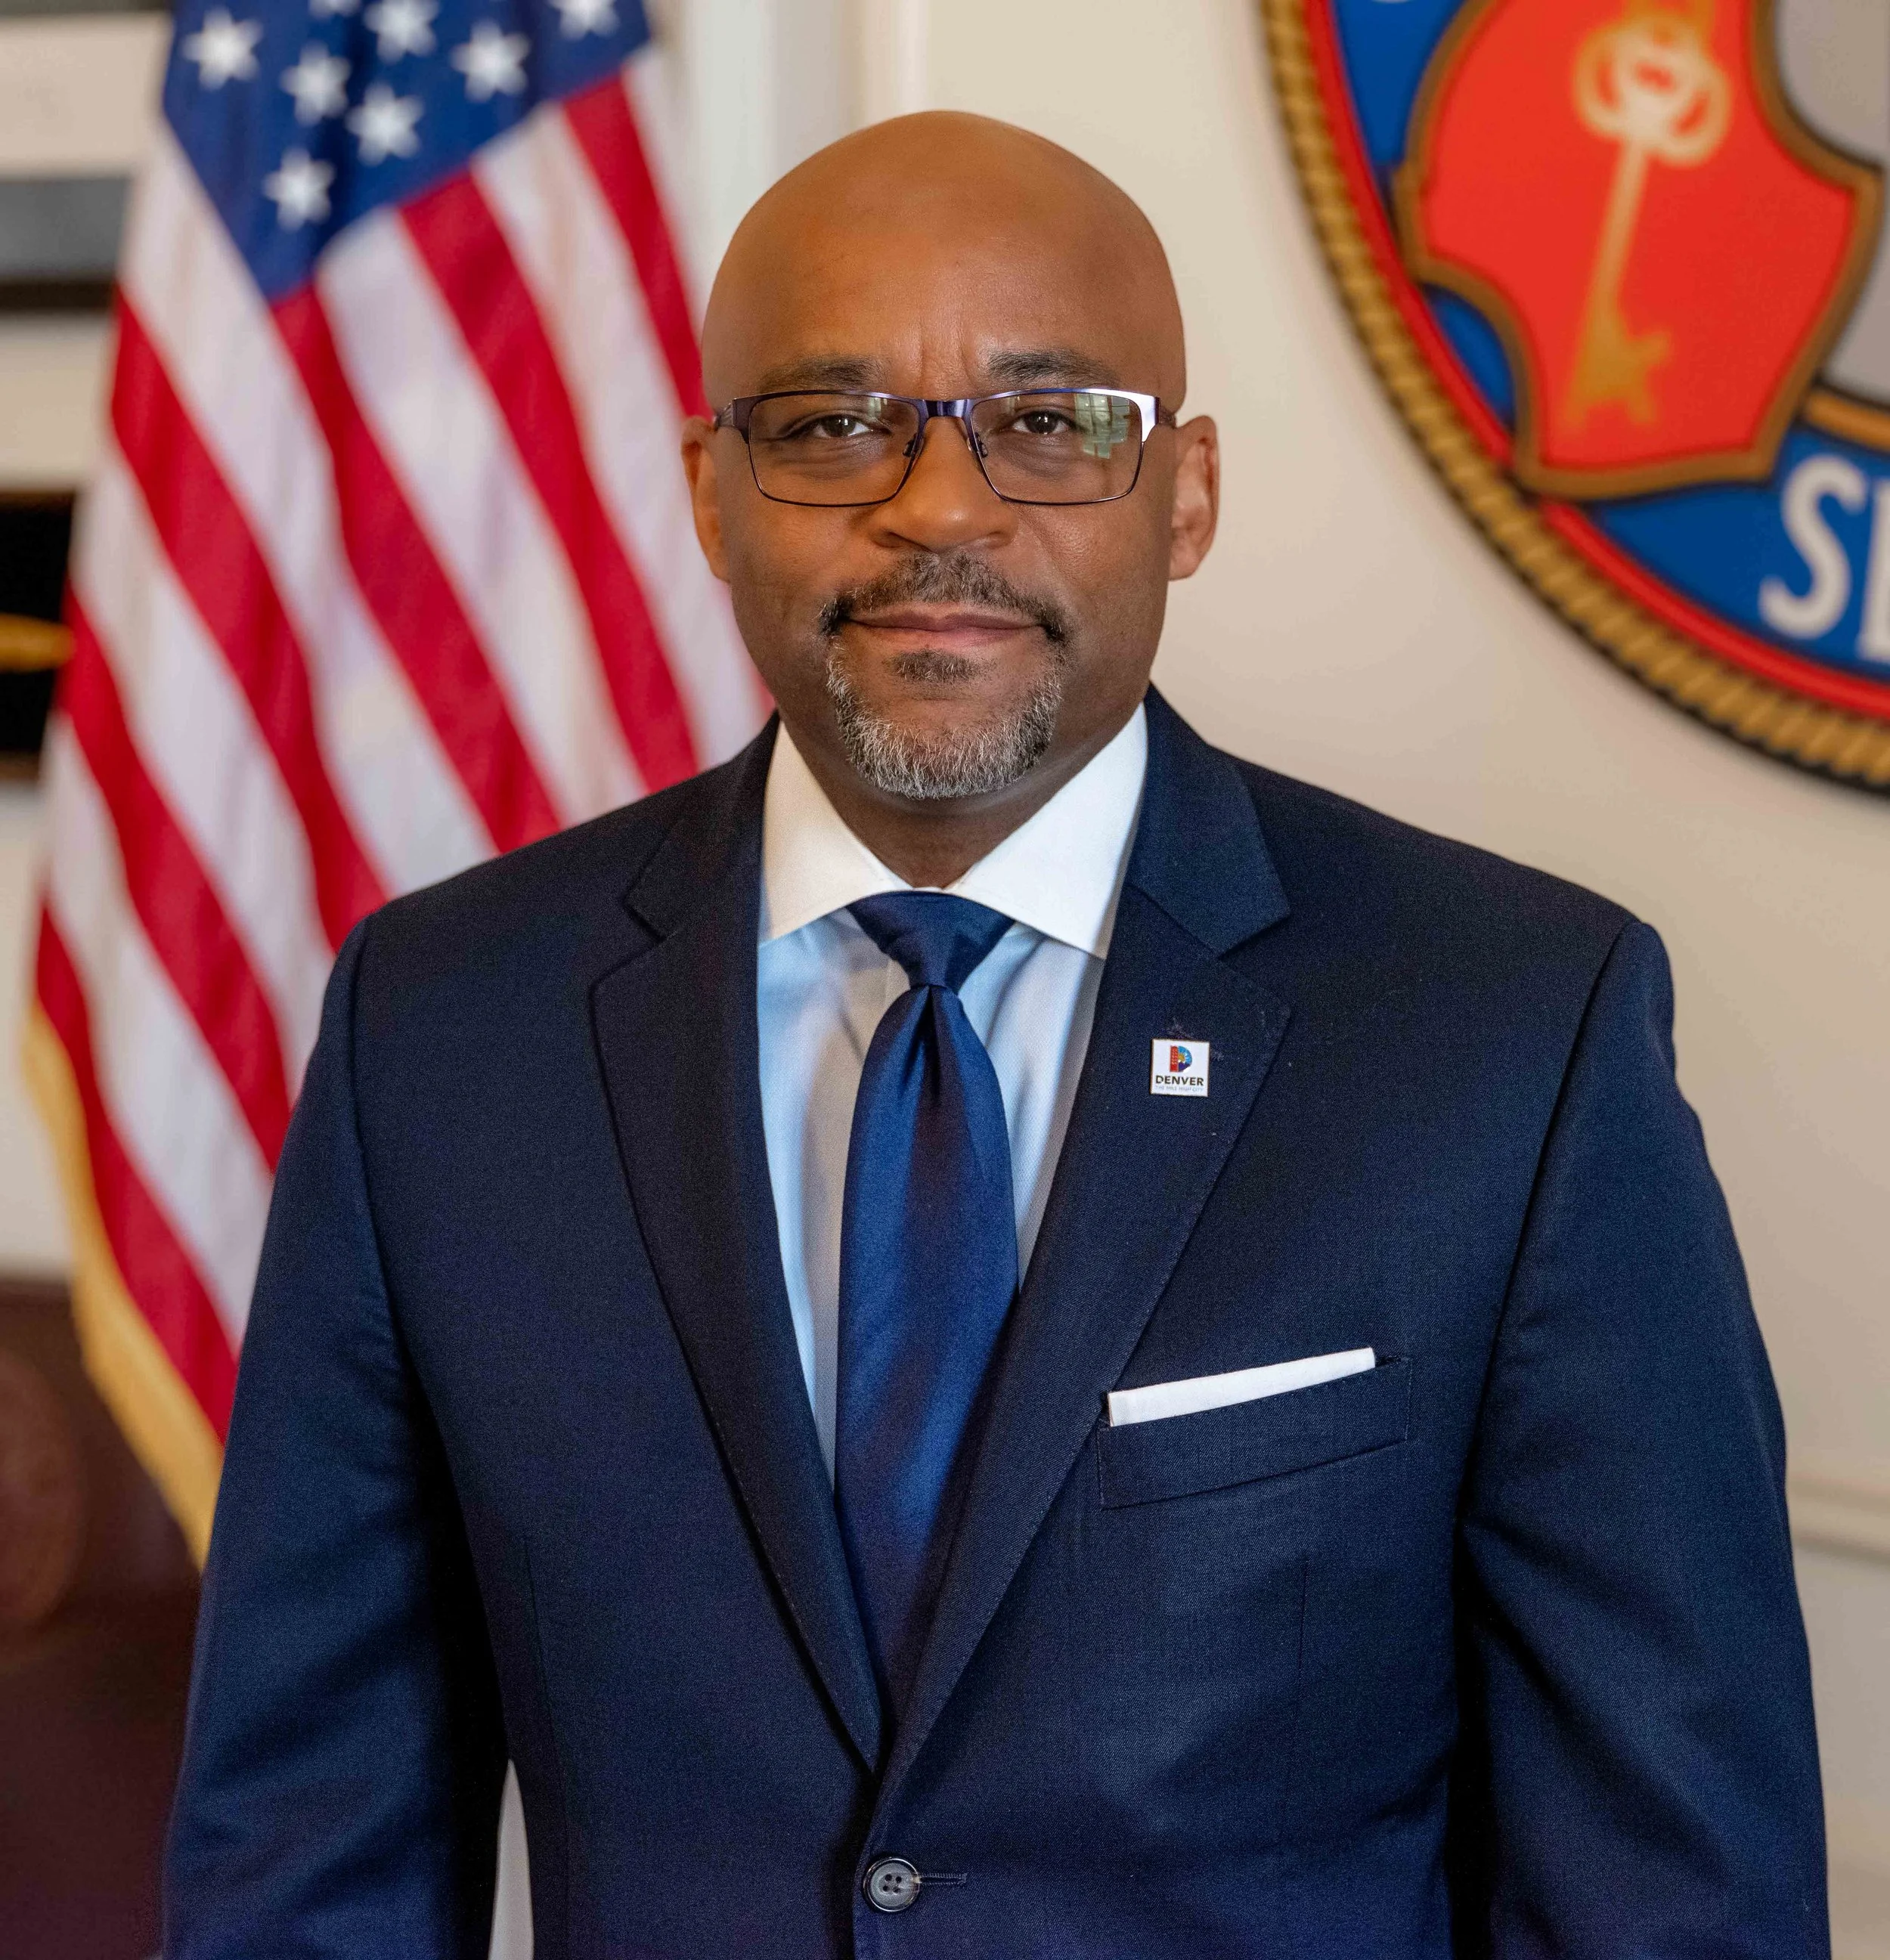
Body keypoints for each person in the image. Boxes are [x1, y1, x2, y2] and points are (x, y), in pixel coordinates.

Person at [164, 113, 1826, 1958]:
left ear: (1183, 495)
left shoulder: (1510, 1028)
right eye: (826, 424)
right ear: (709, 490)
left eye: (1047, 423)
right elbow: (303, 1855)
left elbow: (1672, 1894)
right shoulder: (443, 1027)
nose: (937, 512)